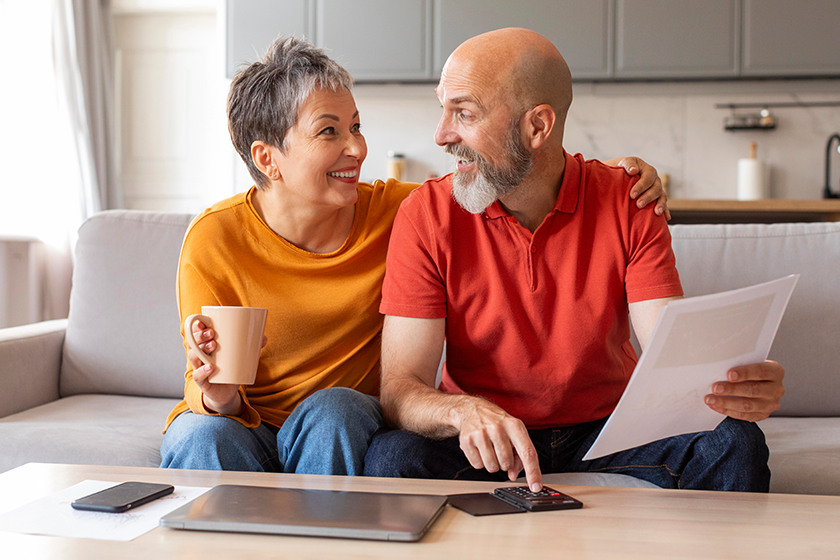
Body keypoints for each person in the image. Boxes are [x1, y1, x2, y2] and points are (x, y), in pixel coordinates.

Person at [159, 35, 670, 475]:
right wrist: (218, 391)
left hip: (335, 425)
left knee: (335, 409)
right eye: (329, 131)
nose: (356, 148)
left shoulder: (399, 210)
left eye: (355, 126)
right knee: (200, 437)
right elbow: (211, 389)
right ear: (266, 158)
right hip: (239, 422)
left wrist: (619, 176)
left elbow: (504, 174)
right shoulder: (215, 238)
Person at [364, 28, 785, 492]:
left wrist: (735, 386)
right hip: (487, 441)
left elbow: (669, 349)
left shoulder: (628, 200)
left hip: (608, 432)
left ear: (538, 127)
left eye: (463, 113)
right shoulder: (426, 214)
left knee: (735, 441)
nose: (441, 135)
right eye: (442, 109)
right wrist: (460, 411)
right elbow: (401, 389)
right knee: (392, 456)